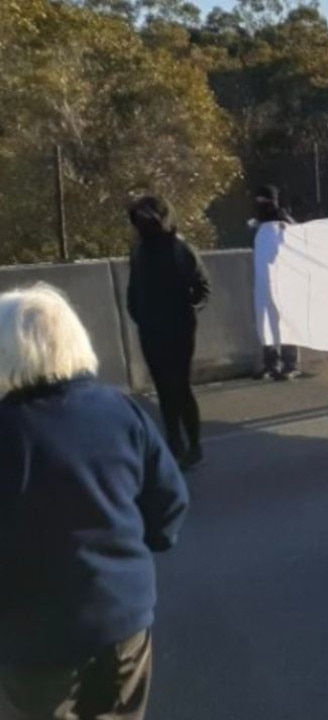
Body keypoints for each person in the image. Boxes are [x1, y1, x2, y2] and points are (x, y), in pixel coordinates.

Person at [0, 284, 190, 720]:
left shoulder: (8, 430)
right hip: (123, 613)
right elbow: (169, 503)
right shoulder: (120, 410)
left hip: (36, 637)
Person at [126, 195, 210, 470]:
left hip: (178, 329)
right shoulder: (138, 251)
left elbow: (202, 287)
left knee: (179, 386)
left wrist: (188, 311)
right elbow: (133, 289)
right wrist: (139, 315)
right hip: (151, 329)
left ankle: (194, 444)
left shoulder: (180, 248)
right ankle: (174, 443)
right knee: (163, 389)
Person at [248, 185, 301, 381]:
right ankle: (271, 363)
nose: (260, 205)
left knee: (285, 320)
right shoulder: (257, 224)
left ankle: (290, 363)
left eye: (264, 201)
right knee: (265, 320)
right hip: (263, 278)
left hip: (283, 279)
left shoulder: (284, 221)